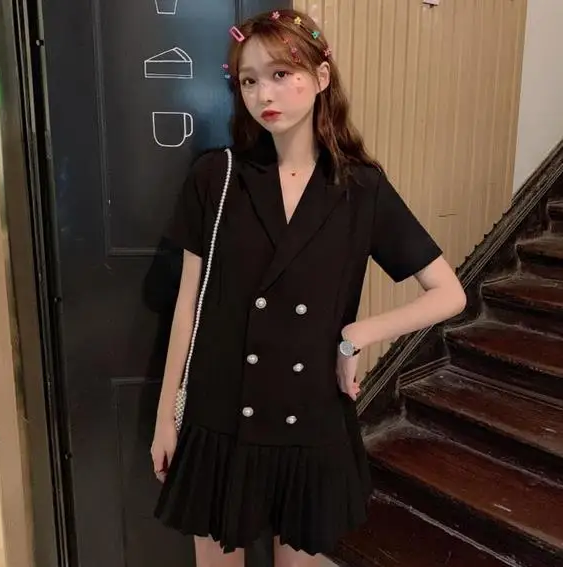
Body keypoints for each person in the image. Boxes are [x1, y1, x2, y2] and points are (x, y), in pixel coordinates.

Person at [151, 8, 466, 567]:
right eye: (249, 80)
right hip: (219, 411)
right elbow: (188, 304)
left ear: (321, 77)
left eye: (281, 73)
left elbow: (449, 293)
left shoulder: (360, 187)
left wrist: (357, 334)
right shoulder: (217, 177)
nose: (263, 93)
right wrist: (165, 417)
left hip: (309, 412)